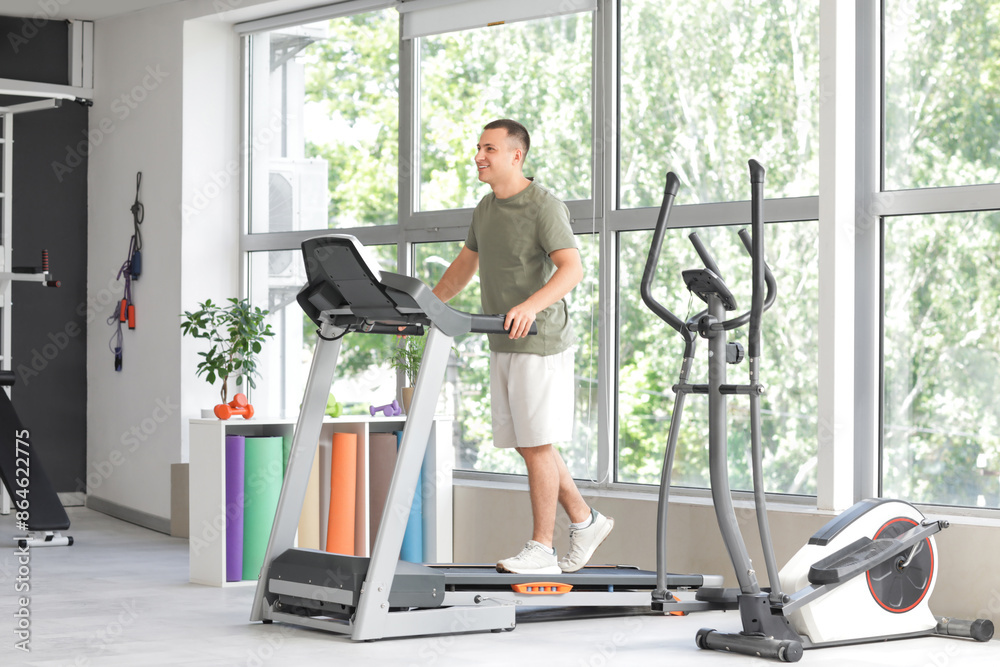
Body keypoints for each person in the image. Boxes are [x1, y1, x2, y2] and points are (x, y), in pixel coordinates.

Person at [431, 119, 613, 575]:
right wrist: (427, 307)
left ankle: (543, 548)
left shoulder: (543, 205)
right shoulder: (485, 208)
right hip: (502, 339)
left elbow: (572, 270)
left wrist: (531, 307)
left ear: (516, 155)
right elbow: (463, 267)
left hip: (542, 340)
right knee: (531, 445)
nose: (478, 156)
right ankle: (586, 521)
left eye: (489, 149)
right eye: (478, 148)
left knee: (535, 444)